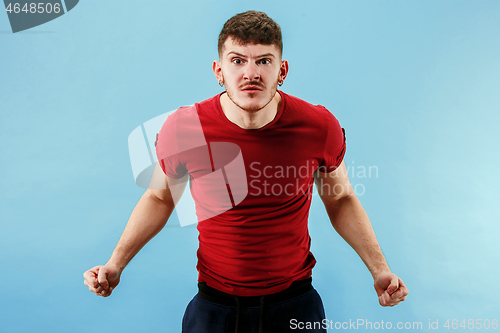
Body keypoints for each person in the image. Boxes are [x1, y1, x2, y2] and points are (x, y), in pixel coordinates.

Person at [83, 10, 409, 333]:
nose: (250, 73)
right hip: (214, 308)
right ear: (218, 70)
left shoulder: (318, 126)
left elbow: (341, 200)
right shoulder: (184, 129)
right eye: (237, 61)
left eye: (263, 61)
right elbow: (158, 198)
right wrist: (116, 263)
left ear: (282, 70)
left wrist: (379, 270)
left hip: (295, 304)